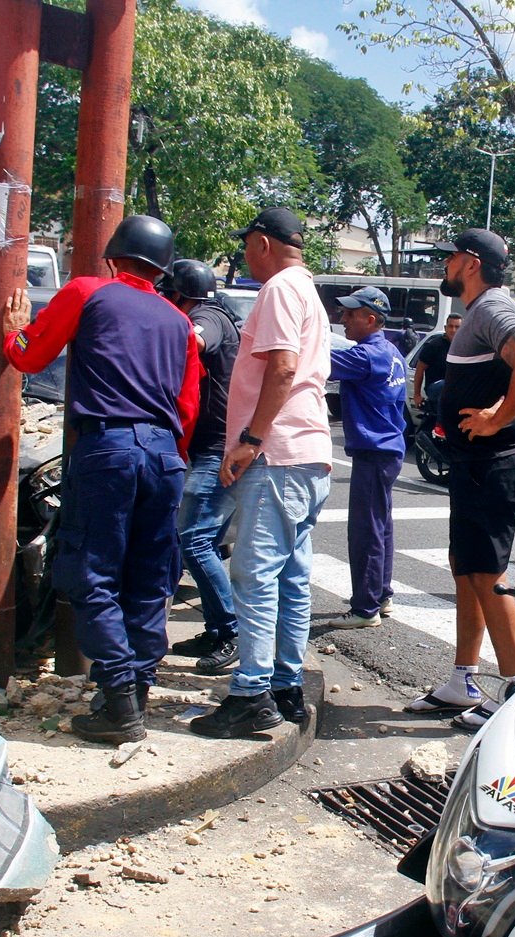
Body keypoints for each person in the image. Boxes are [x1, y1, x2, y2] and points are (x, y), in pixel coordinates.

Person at [2, 215, 201, 745]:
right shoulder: (179, 321)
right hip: (165, 457)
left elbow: (30, 355)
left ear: (114, 256)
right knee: (148, 579)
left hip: (108, 449)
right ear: (160, 270)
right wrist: (164, 458)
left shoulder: (87, 291)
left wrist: (12, 331)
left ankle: (117, 702)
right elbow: (187, 407)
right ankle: (135, 689)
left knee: (91, 573)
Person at [401, 228, 515, 731]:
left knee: (487, 574)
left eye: (449, 259)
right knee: (464, 567)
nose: (444, 266)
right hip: (480, 463)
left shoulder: (491, 307)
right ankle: (462, 680)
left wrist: (496, 416)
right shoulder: (487, 309)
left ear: (469, 263)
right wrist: (497, 407)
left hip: (497, 460)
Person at [189, 207, 332, 739]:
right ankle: (284, 685)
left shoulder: (278, 290)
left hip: (276, 453)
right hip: (308, 453)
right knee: (290, 577)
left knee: (253, 576)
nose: (243, 254)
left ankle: (251, 693)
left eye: (247, 244)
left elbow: (283, 368)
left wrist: (251, 439)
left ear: (264, 244)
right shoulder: (308, 291)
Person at [160, 259, 243, 672]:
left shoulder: (209, 317)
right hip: (208, 447)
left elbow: (192, 339)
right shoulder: (215, 314)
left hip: (217, 449)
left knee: (193, 539)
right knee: (197, 541)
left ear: (179, 295)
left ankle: (231, 632)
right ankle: (217, 627)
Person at [324, 285, 407, 629]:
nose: (342, 320)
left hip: (374, 451)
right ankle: (380, 595)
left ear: (370, 319)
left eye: (350, 314)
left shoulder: (364, 356)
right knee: (380, 527)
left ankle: (365, 608)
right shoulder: (390, 352)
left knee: (365, 531)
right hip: (387, 449)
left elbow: (317, 361)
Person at [411, 311, 462, 412]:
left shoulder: (466, 347)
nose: (453, 330)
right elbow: (420, 369)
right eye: (450, 326)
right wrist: (417, 395)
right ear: (445, 328)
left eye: (457, 327)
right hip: (435, 387)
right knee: (448, 384)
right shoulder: (434, 345)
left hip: (455, 389)